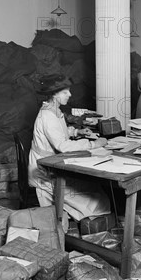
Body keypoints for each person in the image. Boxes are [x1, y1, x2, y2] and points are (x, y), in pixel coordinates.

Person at [28, 74, 112, 221]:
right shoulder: (47, 116)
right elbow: (63, 145)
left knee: (94, 189)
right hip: (44, 173)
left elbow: (60, 133)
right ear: (54, 95)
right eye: (65, 92)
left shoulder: (54, 110)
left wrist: (77, 131)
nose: (70, 94)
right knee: (97, 201)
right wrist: (94, 144)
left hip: (54, 164)